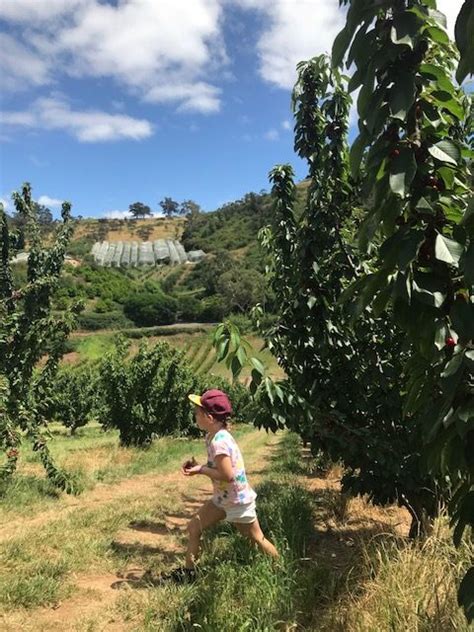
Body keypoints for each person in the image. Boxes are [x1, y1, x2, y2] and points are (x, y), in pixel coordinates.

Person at [164, 388, 278, 583]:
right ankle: (189, 574)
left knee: (256, 539)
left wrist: (201, 470)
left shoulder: (220, 442)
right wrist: (198, 466)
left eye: (197, 413)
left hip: (236, 501)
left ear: (209, 417)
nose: (195, 416)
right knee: (194, 528)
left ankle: (281, 569)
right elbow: (219, 467)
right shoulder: (214, 436)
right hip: (223, 499)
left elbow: (227, 474)